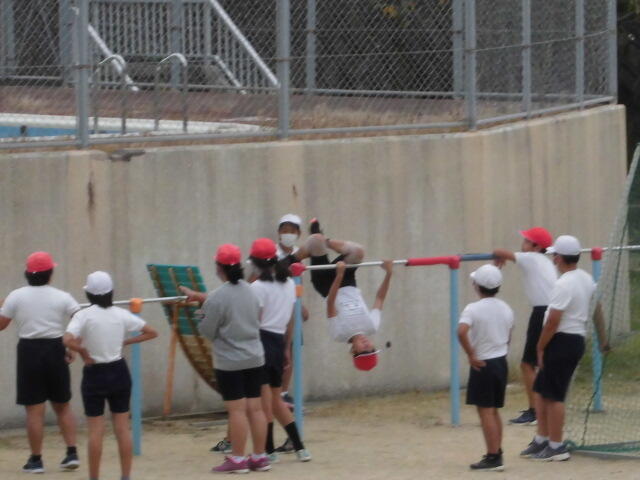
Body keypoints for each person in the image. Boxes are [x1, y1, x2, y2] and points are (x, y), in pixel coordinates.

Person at [180, 244, 270, 474]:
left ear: (218, 267)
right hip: (255, 356)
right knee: (256, 408)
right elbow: (258, 317)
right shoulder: (252, 291)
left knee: (237, 410)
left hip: (230, 361)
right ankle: (260, 456)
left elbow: (206, 329)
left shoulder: (217, 297)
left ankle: (238, 459)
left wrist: (198, 311)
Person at [520, 235, 609, 461]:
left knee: (554, 395)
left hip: (562, 341)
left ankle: (556, 446)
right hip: (571, 341)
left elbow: (553, 321)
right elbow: (597, 308)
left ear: (559, 258)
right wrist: (603, 339)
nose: (553, 259)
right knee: (542, 391)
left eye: (555, 256)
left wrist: (540, 347)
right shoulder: (586, 279)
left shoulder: (564, 283)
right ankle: (542, 439)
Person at [63, 271, 158, 480]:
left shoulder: (83, 315)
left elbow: (67, 339)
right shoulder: (121, 314)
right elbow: (152, 332)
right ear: (111, 292)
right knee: (122, 428)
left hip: (94, 372)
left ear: (89, 294)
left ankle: (94, 477)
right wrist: (127, 342)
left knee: (95, 431)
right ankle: (125, 476)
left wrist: (82, 351)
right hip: (118, 370)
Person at [0, 252, 81, 474]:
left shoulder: (16, 296)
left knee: (34, 410)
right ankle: (71, 453)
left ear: (27, 273)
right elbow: (79, 317)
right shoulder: (62, 296)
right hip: (56, 348)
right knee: (62, 405)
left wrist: (3, 307)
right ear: (50, 274)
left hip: (29, 351)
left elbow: (1, 324)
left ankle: (36, 460)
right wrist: (72, 343)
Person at [294, 220, 393, 369]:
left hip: (325, 285)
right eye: (372, 349)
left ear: (354, 351)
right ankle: (323, 241)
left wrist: (339, 276)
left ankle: (297, 255)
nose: (367, 346)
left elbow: (330, 303)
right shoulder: (371, 326)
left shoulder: (339, 334)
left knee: (315, 241)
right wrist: (389, 273)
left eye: (364, 351)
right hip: (348, 280)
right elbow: (380, 298)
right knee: (358, 252)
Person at [248, 238, 311, 463]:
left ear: (255, 263)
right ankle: (300, 448)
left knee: (265, 401)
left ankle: (269, 450)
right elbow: (292, 319)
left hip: (261, 340)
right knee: (276, 400)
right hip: (278, 340)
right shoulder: (289, 284)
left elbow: (255, 320)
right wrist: (286, 347)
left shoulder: (257, 287)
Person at [493, 227, 556, 426]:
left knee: (527, 364)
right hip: (552, 311)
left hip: (542, 312)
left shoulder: (531, 258)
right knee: (541, 363)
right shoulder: (544, 261)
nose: (523, 243)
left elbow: (499, 251)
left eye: (527, 241)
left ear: (536, 247)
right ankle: (542, 408)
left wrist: (501, 256)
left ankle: (534, 411)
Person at [457, 264, 514, 472]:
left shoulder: (473, 309)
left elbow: (461, 331)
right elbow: (509, 333)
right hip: (500, 360)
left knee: (485, 411)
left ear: (476, 286)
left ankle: (493, 456)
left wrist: (471, 354)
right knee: (494, 410)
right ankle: (497, 450)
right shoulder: (506, 308)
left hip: (483, 363)